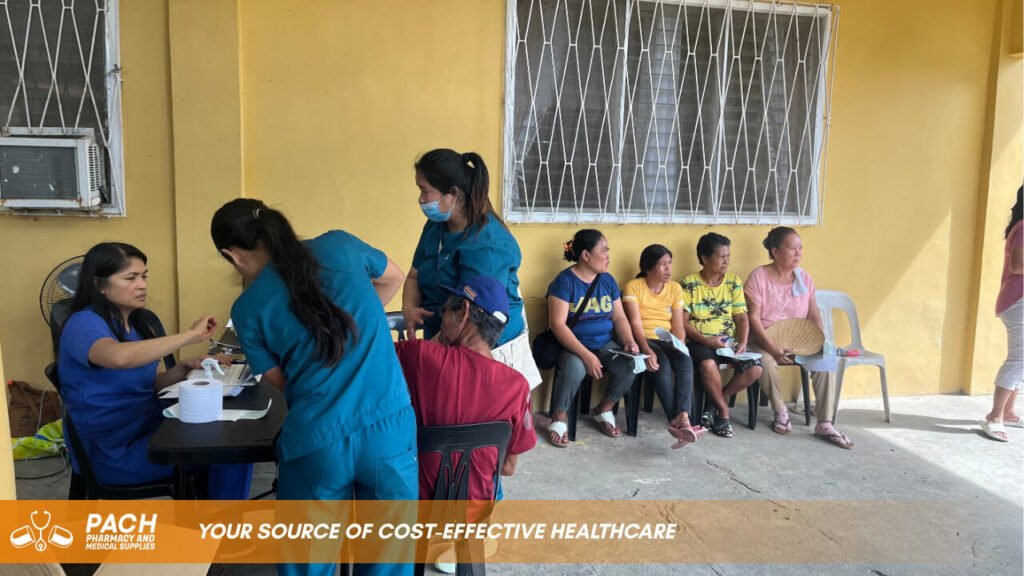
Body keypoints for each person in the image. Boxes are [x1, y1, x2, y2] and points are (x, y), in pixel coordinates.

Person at [211, 199, 415, 576]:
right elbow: (394, 277)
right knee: (388, 557)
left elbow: (281, 381)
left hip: (317, 439)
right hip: (387, 426)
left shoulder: (247, 309)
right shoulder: (341, 245)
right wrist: (351, 330)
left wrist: (323, 353)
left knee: (308, 560)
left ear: (233, 255)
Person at [57, 242, 251, 499]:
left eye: (144, 276)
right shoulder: (83, 323)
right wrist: (190, 336)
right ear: (99, 285)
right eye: (131, 278)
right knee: (229, 450)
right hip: (112, 453)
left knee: (233, 435)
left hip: (151, 426)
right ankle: (219, 519)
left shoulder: (140, 322)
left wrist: (182, 367)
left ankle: (215, 513)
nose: (142, 285)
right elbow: (118, 357)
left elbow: (149, 385)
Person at [402, 149, 542, 389]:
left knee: (472, 406)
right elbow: (415, 275)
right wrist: (409, 309)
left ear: (453, 193)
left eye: (425, 190)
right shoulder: (436, 226)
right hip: (443, 337)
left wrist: (419, 357)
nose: (420, 199)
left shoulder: (488, 244)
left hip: (485, 348)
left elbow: (471, 322)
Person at [395, 275, 535, 500]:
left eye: (444, 310)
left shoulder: (419, 356)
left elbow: (371, 353)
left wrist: (441, 336)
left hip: (419, 503)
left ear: (465, 311)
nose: (441, 319)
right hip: (476, 509)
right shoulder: (518, 386)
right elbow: (508, 467)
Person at [745, 227, 852, 449]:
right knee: (764, 360)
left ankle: (824, 422)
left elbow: (813, 315)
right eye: (792, 248)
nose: (798, 253)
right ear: (775, 252)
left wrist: (817, 340)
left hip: (798, 342)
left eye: (800, 248)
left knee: (825, 356)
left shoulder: (804, 278)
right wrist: (772, 347)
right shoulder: (758, 277)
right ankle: (780, 411)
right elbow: (753, 318)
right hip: (764, 339)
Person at [545, 229, 640, 447]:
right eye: (604, 251)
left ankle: (604, 409)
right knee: (575, 368)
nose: (608, 256)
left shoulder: (607, 281)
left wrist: (629, 341)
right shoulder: (564, 281)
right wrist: (586, 355)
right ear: (586, 255)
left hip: (604, 343)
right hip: (572, 346)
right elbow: (557, 325)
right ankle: (559, 417)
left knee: (630, 365)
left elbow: (619, 317)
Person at [681, 233, 763, 438]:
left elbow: (742, 318)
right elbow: (683, 323)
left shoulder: (733, 282)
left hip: (729, 342)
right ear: (705, 258)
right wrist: (707, 341)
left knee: (755, 368)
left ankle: (713, 404)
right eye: (722, 257)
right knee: (708, 365)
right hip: (700, 341)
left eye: (728, 256)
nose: (727, 261)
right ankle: (724, 413)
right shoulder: (689, 284)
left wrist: (743, 342)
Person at [621, 244, 703, 447]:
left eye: (670, 263)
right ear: (648, 267)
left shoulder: (675, 288)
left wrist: (680, 344)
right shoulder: (634, 286)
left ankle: (683, 417)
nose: (668, 269)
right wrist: (647, 350)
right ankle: (677, 420)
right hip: (644, 338)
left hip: (667, 338)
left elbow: (678, 325)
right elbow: (635, 324)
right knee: (661, 365)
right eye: (662, 264)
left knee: (685, 361)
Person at [981, 186, 1024, 442]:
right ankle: (995, 416)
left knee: (1022, 360)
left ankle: (1007, 412)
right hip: (1018, 301)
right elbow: (1018, 266)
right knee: (1018, 359)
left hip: (1017, 301)